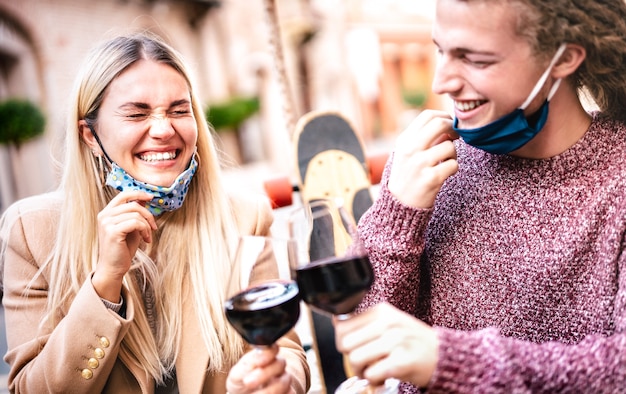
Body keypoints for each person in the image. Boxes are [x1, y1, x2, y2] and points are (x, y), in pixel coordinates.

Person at [333, 0, 626, 392]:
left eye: (475, 59)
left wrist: (448, 360)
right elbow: (367, 336)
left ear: (565, 58)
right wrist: (396, 213)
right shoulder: (425, 163)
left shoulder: (617, 177)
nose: (441, 82)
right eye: (441, 50)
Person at [0, 32, 310, 393]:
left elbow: (285, 349)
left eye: (180, 110)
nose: (164, 130)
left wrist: (278, 380)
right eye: (137, 113)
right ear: (89, 135)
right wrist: (106, 280)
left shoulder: (245, 216)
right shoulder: (31, 231)